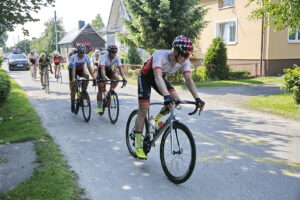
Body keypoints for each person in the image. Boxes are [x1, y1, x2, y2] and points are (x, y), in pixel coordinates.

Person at [133, 35, 205, 159]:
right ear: (176, 51)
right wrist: (166, 96)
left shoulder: (184, 60)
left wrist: (197, 98)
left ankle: (155, 120)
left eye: (189, 55)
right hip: (147, 77)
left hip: (159, 78)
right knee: (143, 110)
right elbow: (157, 77)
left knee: (176, 101)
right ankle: (138, 146)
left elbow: (188, 79)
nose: (187, 58)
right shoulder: (159, 55)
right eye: (185, 55)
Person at [97, 45, 127, 114]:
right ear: (109, 52)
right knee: (101, 88)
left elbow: (120, 68)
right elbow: (102, 69)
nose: (114, 53)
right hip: (101, 70)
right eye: (112, 52)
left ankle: (109, 93)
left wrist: (124, 78)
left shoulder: (117, 58)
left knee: (116, 78)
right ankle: (99, 107)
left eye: (115, 52)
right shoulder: (104, 57)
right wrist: (104, 78)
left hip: (109, 69)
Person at [69, 44, 95, 112]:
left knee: (87, 76)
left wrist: (93, 76)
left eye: (84, 52)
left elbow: (89, 67)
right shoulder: (73, 57)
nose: (82, 53)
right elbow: (74, 68)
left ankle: (83, 91)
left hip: (80, 69)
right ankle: (72, 102)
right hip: (72, 70)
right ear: (77, 52)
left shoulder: (86, 56)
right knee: (73, 86)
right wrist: (74, 79)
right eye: (81, 52)